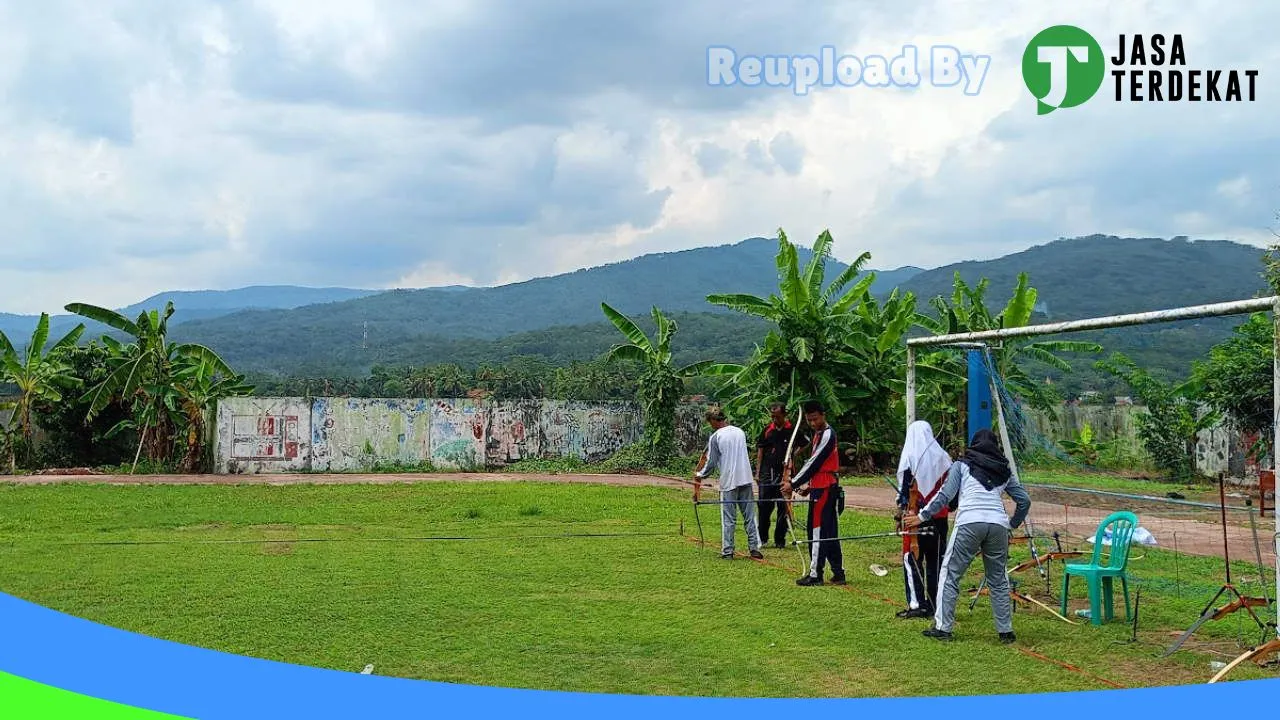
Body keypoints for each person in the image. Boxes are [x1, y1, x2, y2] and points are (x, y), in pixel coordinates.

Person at [904, 428, 1032, 643]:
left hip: (969, 523)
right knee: (998, 579)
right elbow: (1024, 501)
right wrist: (1012, 524)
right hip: (998, 526)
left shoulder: (962, 465)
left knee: (950, 573)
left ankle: (943, 628)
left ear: (974, 445)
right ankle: (1005, 632)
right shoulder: (1004, 471)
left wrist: (922, 516)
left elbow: (945, 495)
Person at [894, 420, 952, 619]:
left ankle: (917, 603)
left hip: (914, 516)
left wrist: (901, 512)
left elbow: (904, 493)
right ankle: (936, 604)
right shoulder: (944, 458)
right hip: (940, 518)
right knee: (936, 561)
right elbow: (952, 496)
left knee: (912, 559)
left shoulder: (910, 457)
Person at [782, 401, 845, 586]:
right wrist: (808, 486)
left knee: (816, 529)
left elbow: (814, 463)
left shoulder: (827, 434)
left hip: (825, 488)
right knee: (829, 531)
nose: (812, 423)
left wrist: (792, 483)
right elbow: (817, 464)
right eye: (809, 420)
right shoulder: (819, 434)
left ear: (823, 415)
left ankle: (815, 574)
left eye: (815, 419)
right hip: (821, 485)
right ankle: (838, 573)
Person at [693, 407, 765, 560]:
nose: (710, 425)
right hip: (745, 478)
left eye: (710, 422)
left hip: (728, 481)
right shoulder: (739, 432)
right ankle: (754, 549)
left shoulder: (716, 437)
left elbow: (711, 463)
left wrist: (699, 475)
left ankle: (727, 551)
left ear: (713, 420)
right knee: (750, 516)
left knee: (728, 518)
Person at [755, 402, 809, 549]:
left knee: (783, 507)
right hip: (767, 473)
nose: (774, 420)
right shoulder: (767, 430)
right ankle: (762, 538)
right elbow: (760, 451)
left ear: (784, 415)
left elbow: (805, 443)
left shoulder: (792, 430)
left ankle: (780, 540)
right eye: (772, 417)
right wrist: (758, 472)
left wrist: (793, 454)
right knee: (764, 507)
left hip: (785, 474)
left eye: (777, 417)